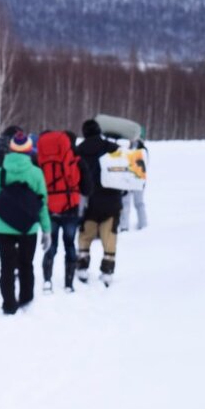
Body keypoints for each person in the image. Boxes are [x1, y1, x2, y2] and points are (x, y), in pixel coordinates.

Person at [0, 131, 52, 314]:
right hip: (28, 228)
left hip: (2, 227)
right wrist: (46, 230)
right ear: (29, 151)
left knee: (6, 266)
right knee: (26, 264)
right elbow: (42, 204)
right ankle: (26, 298)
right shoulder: (36, 173)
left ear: (11, 150)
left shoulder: (1, 172)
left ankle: (8, 303)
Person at [36, 129, 91, 293]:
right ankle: (68, 284)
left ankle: (47, 281)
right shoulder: (77, 161)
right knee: (69, 244)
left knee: (50, 245)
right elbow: (87, 188)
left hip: (49, 208)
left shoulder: (41, 160)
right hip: (70, 209)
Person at [74, 118, 125, 286]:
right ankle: (107, 271)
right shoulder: (112, 148)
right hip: (112, 200)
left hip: (89, 201)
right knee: (109, 236)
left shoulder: (79, 150)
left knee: (85, 235)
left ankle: (82, 267)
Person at [120, 138, 149, 232]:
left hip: (130, 179)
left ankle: (125, 226)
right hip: (139, 178)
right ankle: (143, 223)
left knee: (126, 203)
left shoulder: (130, 148)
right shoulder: (144, 150)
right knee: (138, 203)